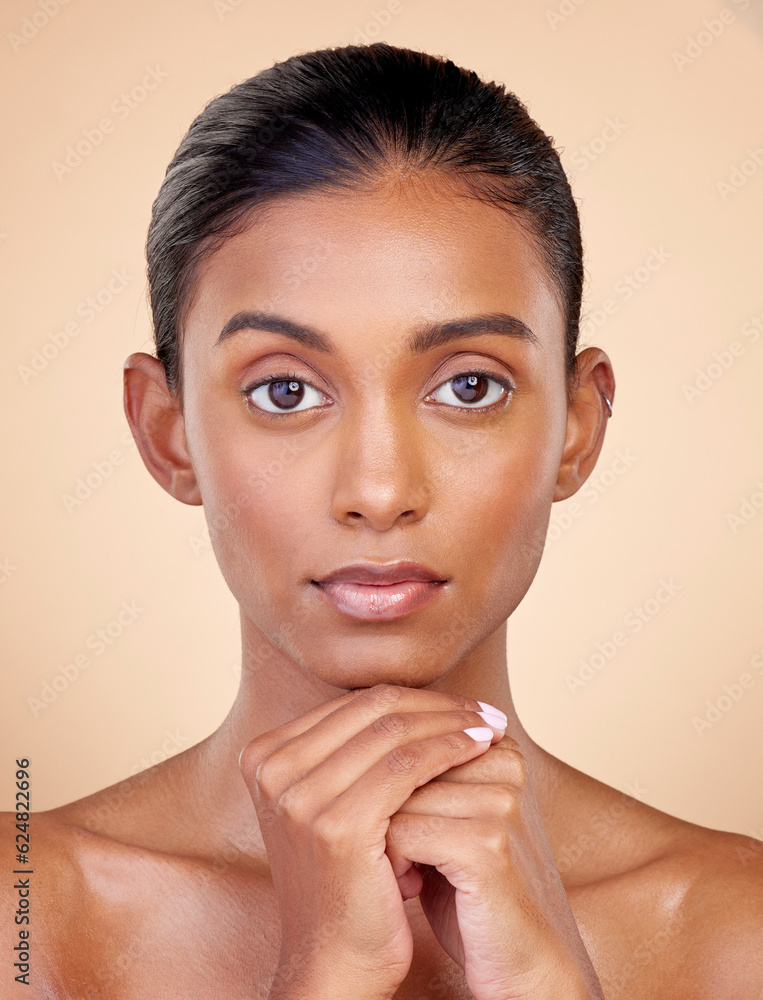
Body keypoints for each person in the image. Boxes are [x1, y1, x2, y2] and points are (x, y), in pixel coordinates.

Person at [3, 41, 761, 1000]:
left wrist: (549, 982)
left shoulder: (739, 931)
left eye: (468, 386)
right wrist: (328, 973)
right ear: (170, 433)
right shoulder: (28, 913)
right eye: (284, 391)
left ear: (576, 428)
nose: (378, 489)